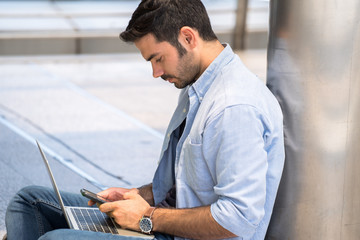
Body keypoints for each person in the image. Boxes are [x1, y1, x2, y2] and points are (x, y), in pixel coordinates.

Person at [5, 0, 285, 239]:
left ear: (188, 37)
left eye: (158, 58)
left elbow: (238, 218)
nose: (155, 72)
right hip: (165, 223)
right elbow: (192, 182)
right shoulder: (200, 85)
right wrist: (140, 196)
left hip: (176, 233)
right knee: (29, 202)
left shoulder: (233, 108)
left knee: (58, 238)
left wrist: (146, 217)